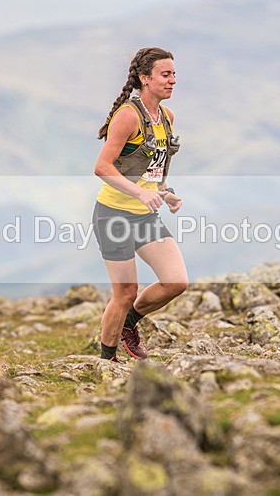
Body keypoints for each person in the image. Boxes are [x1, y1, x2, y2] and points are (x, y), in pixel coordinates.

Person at [92, 46, 188, 362]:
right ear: (145, 78)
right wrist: (140, 194)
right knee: (125, 293)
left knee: (176, 282)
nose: (173, 80)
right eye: (165, 74)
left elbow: (151, 170)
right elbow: (102, 167)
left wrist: (163, 191)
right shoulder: (127, 116)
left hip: (144, 216)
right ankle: (107, 361)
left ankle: (128, 324)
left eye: (174, 74)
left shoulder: (167, 118)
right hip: (113, 217)